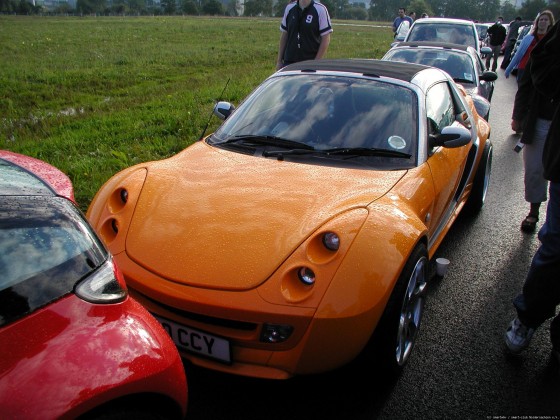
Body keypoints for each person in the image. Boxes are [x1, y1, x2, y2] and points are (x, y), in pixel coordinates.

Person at [504, 19, 560, 363]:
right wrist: (520, 115)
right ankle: (527, 318)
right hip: (547, 125)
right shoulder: (548, 43)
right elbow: (535, 73)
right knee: (556, 245)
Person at [276, 0, 333, 70]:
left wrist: (316, 62)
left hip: (309, 62)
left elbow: (326, 39)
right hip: (289, 62)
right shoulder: (289, 8)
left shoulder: (320, 9)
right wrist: (279, 61)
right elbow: (285, 35)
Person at [505, 11, 555, 83]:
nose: (543, 21)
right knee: (522, 93)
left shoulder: (550, 39)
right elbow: (518, 54)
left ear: (550, 22)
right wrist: (508, 69)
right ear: (537, 22)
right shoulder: (528, 38)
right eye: (541, 19)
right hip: (524, 69)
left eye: (546, 20)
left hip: (540, 72)